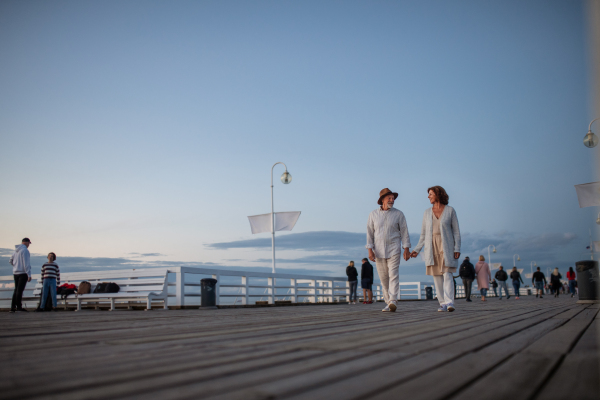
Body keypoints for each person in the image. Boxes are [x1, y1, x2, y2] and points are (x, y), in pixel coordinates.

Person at [411, 186, 461, 313]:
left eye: (431, 194)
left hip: (447, 246)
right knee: (437, 276)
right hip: (431, 246)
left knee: (447, 274)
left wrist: (457, 248)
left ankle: (450, 302)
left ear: (438, 194)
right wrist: (417, 250)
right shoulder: (427, 213)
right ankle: (442, 303)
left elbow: (456, 232)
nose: (428, 196)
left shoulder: (450, 211)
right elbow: (423, 234)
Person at [367, 188, 411, 312]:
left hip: (394, 248)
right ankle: (388, 302)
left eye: (393, 198)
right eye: (389, 198)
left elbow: (404, 232)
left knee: (393, 275)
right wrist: (370, 250)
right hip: (379, 250)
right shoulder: (373, 214)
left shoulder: (399, 214)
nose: (392, 200)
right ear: (382, 200)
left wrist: (406, 248)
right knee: (383, 278)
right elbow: (370, 233)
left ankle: (393, 300)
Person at [9, 238, 32, 313]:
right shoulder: (25, 250)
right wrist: (29, 274)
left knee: (16, 290)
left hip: (15, 273)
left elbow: (10, 261)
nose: (29, 245)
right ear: (27, 243)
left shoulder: (15, 251)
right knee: (20, 290)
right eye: (29, 243)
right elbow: (26, 264)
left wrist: (16, 266)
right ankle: (19, 307)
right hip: (23, 273)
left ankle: (13, 307)